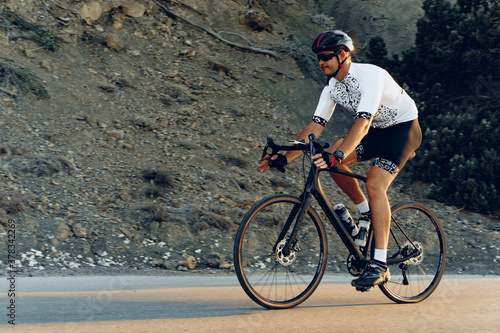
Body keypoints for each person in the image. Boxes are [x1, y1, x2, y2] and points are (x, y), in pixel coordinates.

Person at [258, 30, 422, 290]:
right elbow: (315, 126)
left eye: (325, 56)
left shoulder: (371, 76)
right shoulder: (332, 87)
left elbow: (363, 123)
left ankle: (380, 266)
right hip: (378, 130)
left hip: (403, 129)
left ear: (343, 55)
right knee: (332, 158)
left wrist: (338, 154)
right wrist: (285, 156)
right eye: (318, 58)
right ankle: (367, 214)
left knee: (374, 183)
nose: (321, 62)